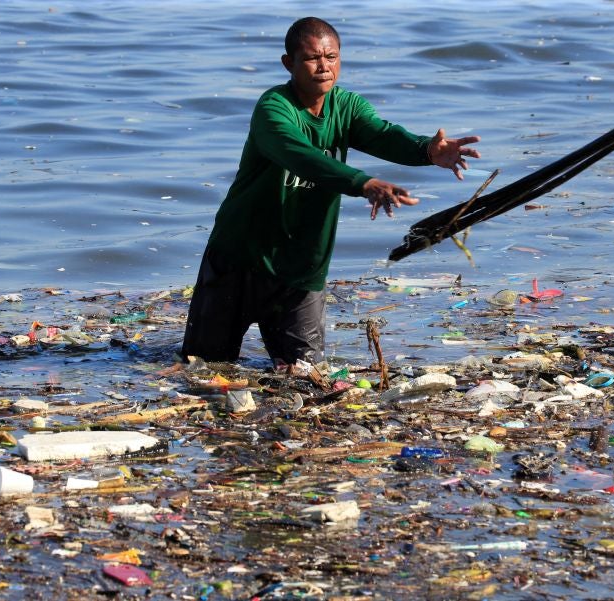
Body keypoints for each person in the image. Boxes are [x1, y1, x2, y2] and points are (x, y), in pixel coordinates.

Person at [181, 16, 480, 367]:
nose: (324, 67)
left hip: (303, 268)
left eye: (332, 57)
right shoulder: (273, 108)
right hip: (239, 259)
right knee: (200, 369)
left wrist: (426, 150)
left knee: (306, 375)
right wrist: (362, 183)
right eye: (312, 58)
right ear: (288, 63)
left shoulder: (347, 107)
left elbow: (382, 134)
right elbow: (300, 155)